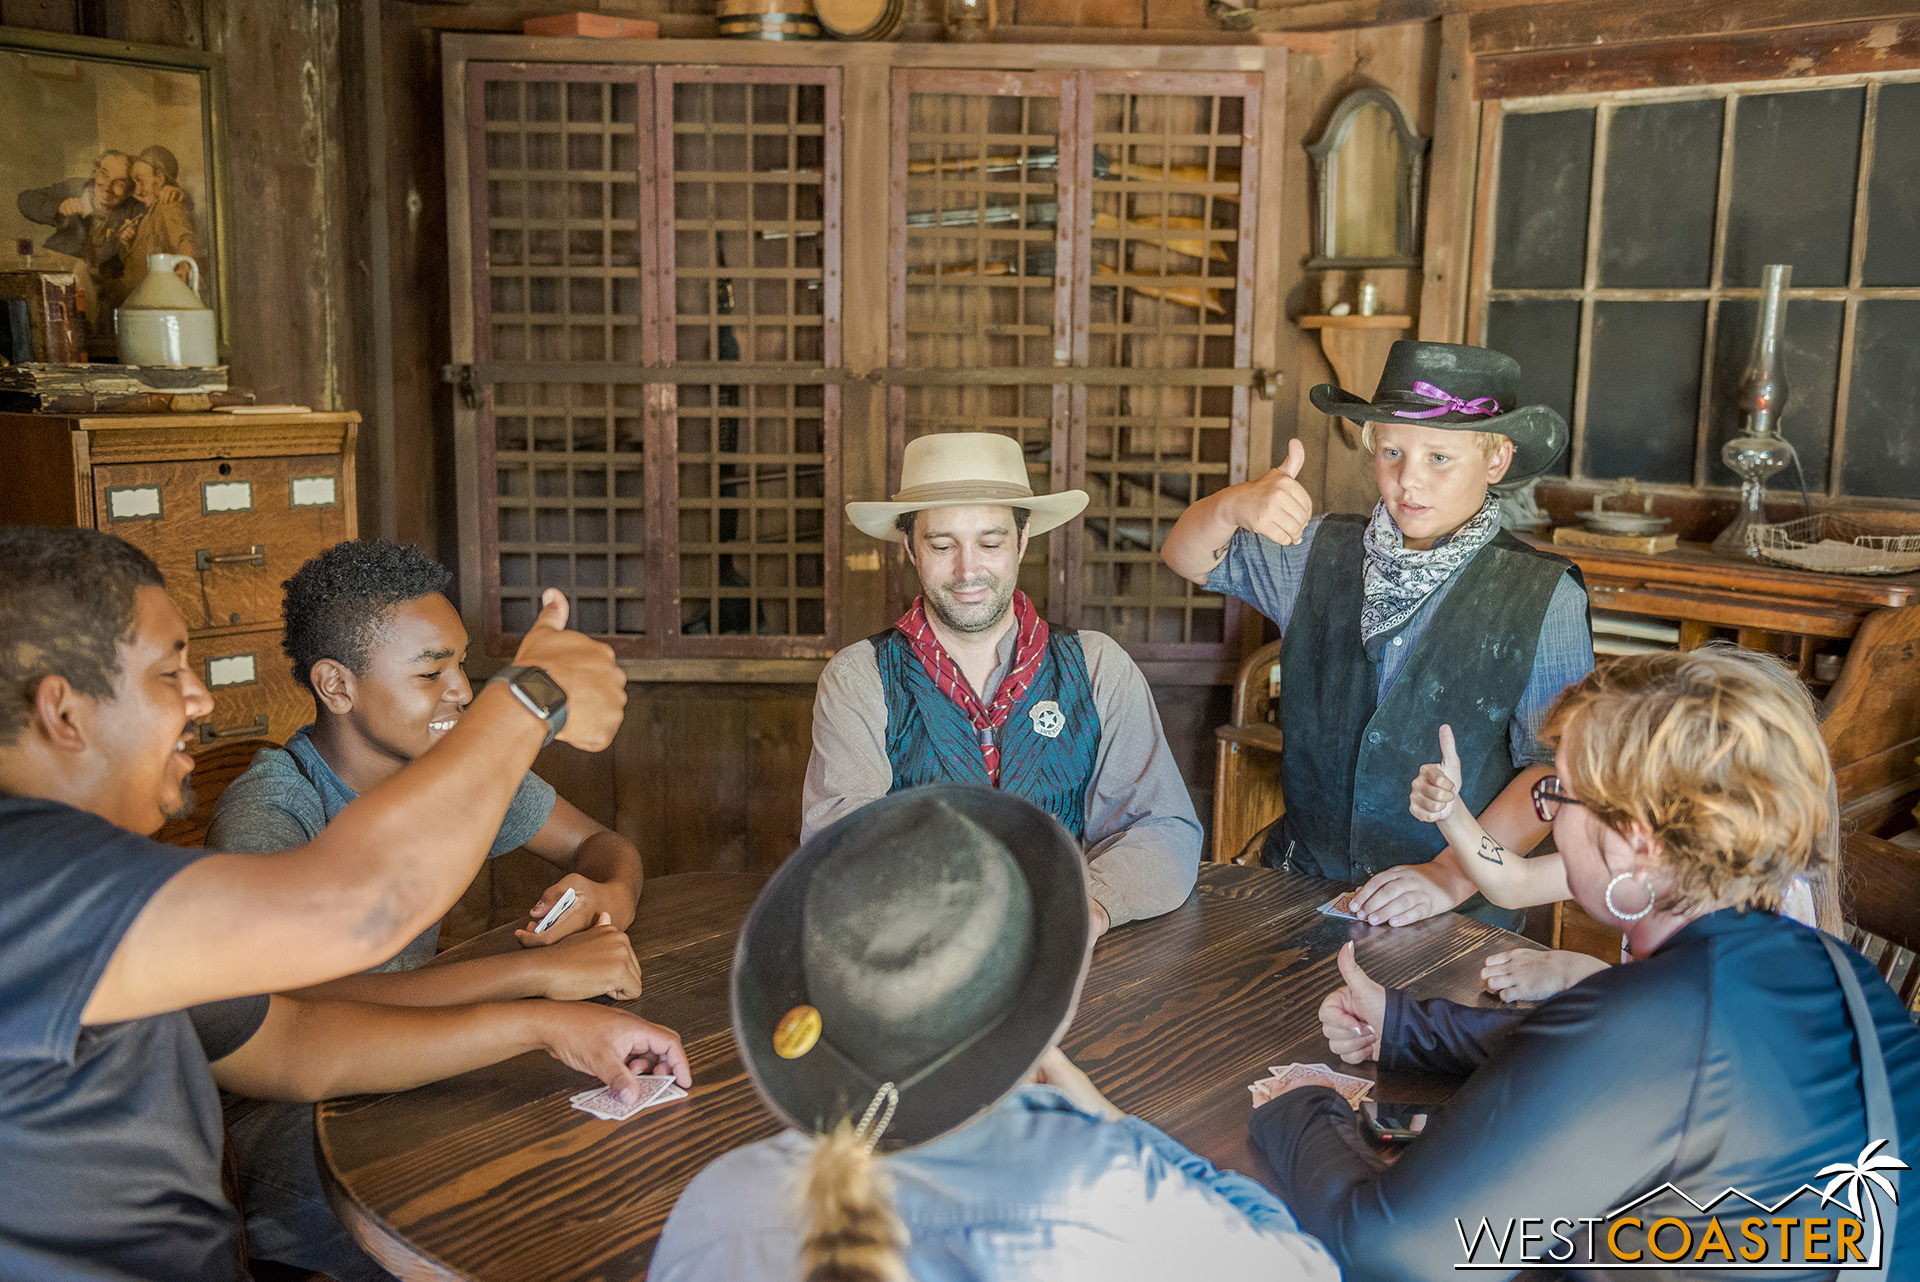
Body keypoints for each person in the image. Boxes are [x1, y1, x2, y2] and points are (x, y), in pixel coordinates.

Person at [0, 526, 685, 1282]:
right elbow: (361, 905)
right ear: (63, 712)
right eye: (169, 674)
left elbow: (290, 1044)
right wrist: (528, 698)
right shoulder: (27, 880)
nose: (201, 699)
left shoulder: (91, 876)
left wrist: (547, 1027)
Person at [1250, 646, 1920, 1279]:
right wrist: (1402, 1025)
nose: (1550, 816)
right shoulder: (1837, 972)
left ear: (1634, 840)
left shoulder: (1662, 1015)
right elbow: (1612, 1059)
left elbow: (1394, 1253)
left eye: (1559, 796)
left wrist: (1302, 1109)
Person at [651, 783, 1340, 1282]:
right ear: (1053, 1013)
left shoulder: (717, 1205)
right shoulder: (1100, 1189)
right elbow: (1304, 1267)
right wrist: (1115, 1123)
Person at [203, 537, 651, 1279]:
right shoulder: (274, 808)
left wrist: (610, 893)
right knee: (503, 1222)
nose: (463, 690)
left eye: (463, 663)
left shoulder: (449, 773)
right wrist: (531, 980)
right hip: (285, 1121)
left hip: (415, 1063)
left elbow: (602, 844)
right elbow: (298, 1008)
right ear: (336, 686)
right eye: (429, 670)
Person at [1161, 341, 1593, 930]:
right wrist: (1233, 506)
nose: (1408, 480)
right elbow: (1187, 556)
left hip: (1454, 909)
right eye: (1392, 451)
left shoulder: (1544, 595)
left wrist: (1448, 875)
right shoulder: (1319, 551)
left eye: (1439, 457)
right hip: (1307, 882)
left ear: (1496, 463)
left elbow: (1554, 768)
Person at [804, 431, 1202, 943]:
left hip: (1069, 950)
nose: (968, 570)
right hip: (919, 958)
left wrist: (1093, 907)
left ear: (1024, 537)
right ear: (909, 547)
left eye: (990, 543)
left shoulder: (1097, 666)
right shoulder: (860, 678)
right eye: (942, 545)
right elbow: (840, 844)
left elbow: (1162, 828)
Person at [115, 144, 198, 299]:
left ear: (159, 179)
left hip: (157, 300)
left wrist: (185, 267)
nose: (136, 191)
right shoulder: (149, 212)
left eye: (140, 181)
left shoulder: (168, 205)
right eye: (134, 183)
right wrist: (129, 242)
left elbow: (185, 239)